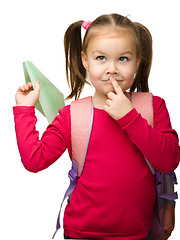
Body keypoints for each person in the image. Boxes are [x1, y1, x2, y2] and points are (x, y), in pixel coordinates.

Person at [13, 13, 180, 240]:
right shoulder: (70, 115)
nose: (112, 69)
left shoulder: (153, 107)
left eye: (123, 59)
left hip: (138, 234)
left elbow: (169, 160)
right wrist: (24, 110)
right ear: (85, 60)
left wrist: (129, 117)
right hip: (80, 233)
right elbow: (34, 160)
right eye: (101, 58)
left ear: (138, 62)